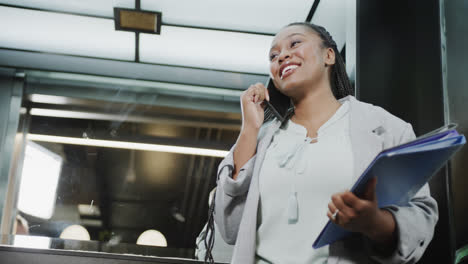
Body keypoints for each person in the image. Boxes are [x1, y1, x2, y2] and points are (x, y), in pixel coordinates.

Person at [213, 22, 438, 264]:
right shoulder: (261, 138)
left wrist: (375, 223)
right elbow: (230, 228)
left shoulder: (386, 128)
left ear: (328, 55)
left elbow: (421, 214)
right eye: (273, 55)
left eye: (295, 43)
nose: (282, 56)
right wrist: (250, 128)